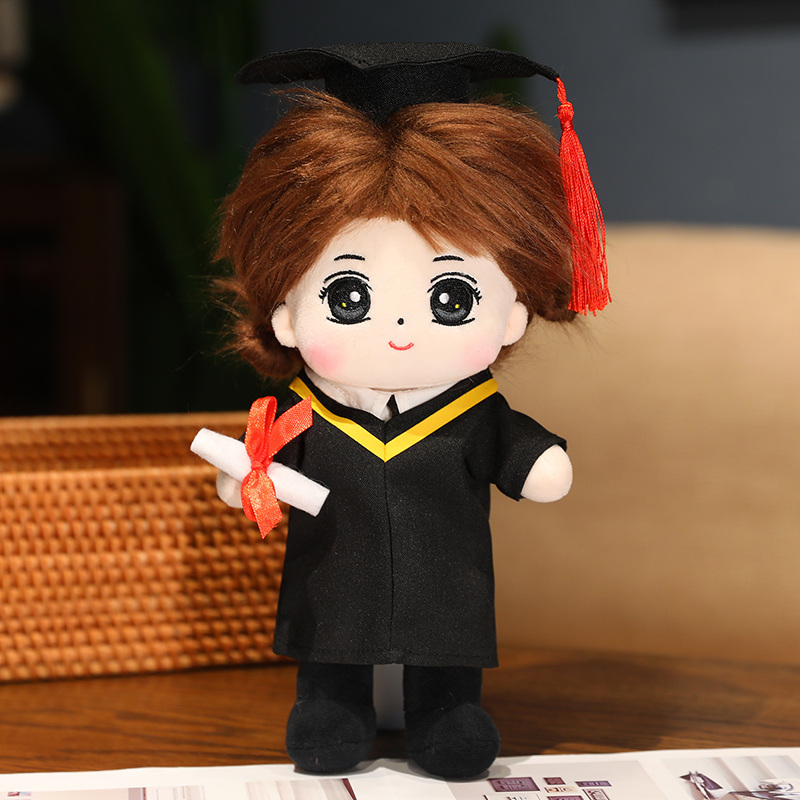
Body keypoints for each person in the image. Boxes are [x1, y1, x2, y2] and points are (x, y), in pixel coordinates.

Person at [213, 43, 608, 779]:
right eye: (348, 297)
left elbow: (530, 463)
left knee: (445, 644)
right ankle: (332, 708)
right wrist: (247, 477)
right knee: (332, 641)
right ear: (287, 314)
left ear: (513, 314)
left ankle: (446, 714)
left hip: (445, 580)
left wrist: (540, 465)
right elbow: (256, 470)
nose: (399, 329)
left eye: (451, 298)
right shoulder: (298, 413)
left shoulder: (475, 414)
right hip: (334, 578)